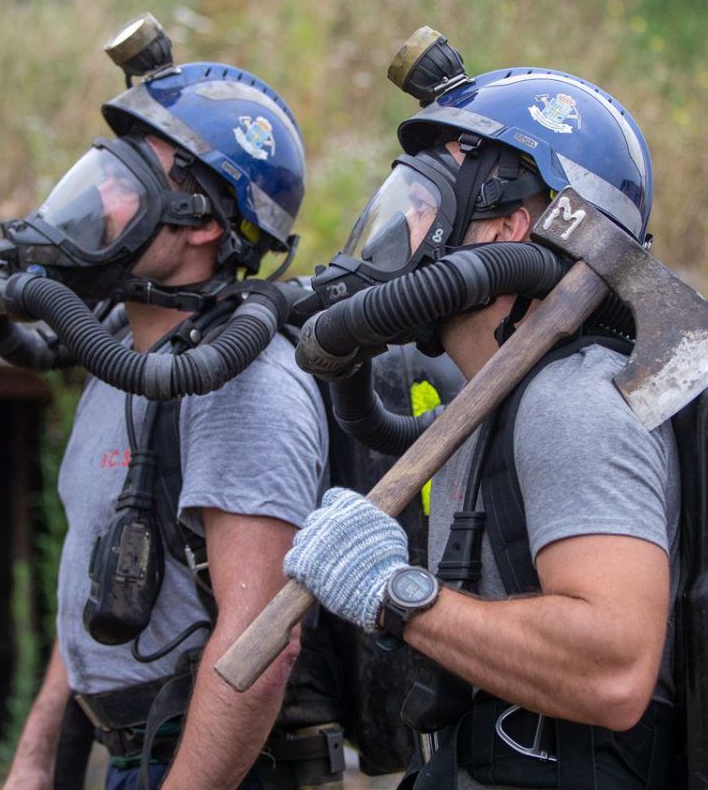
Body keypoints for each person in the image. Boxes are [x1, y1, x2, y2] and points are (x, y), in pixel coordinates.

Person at [283, 65, 680, 789]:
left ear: (510, 229)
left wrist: (397, 594)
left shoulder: (572, 403)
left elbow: (614, 669)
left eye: (427, 204)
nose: (403, 226)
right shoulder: (490, 406)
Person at [0, 21, 340, 790]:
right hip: (138, 753)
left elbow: (262, 644)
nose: (101, 196)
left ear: (204, 221)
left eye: (129, 181)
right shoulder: (120, 358)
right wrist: (34, 759)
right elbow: (105, 575)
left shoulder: (240, 382)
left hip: (216, 763)